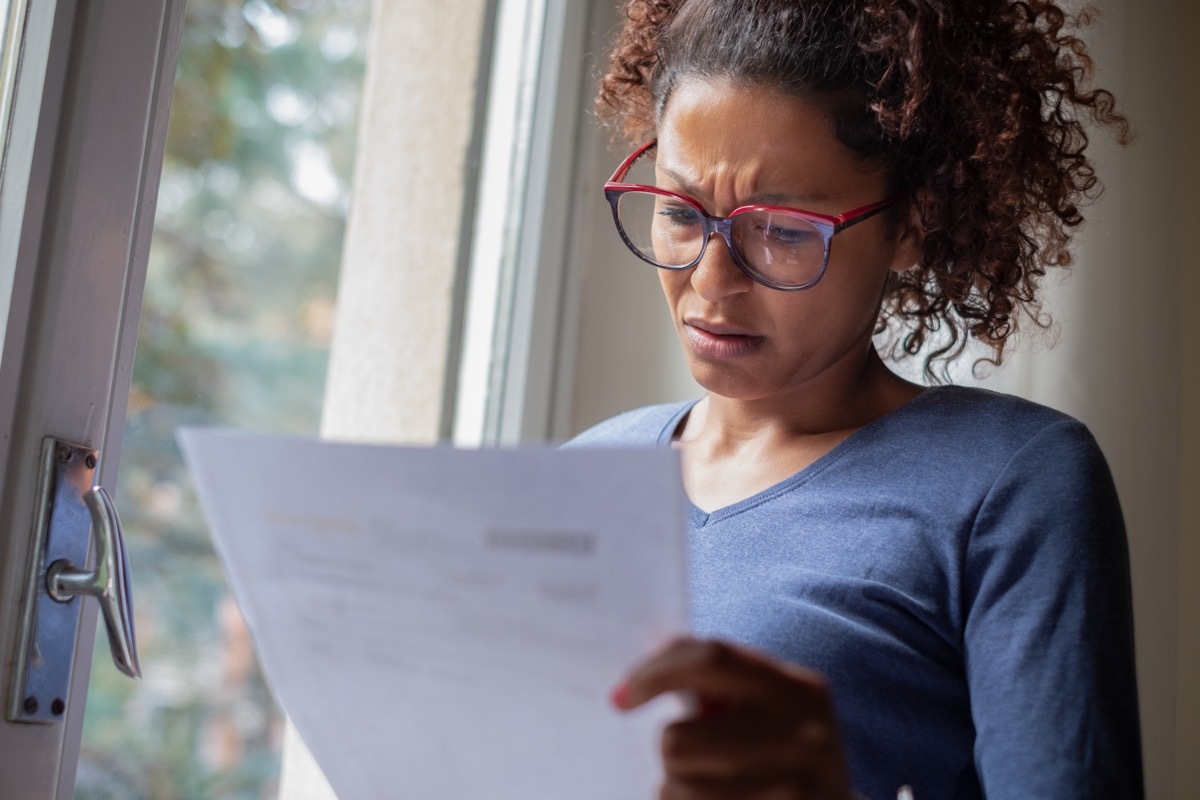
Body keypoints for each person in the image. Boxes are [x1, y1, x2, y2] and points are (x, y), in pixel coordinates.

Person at [565, 1, 1143, 798]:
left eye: (783, 230)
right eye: (678, 212)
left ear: (913, 223)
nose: (709, 278)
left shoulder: (1010, 484)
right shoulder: (583, 473)